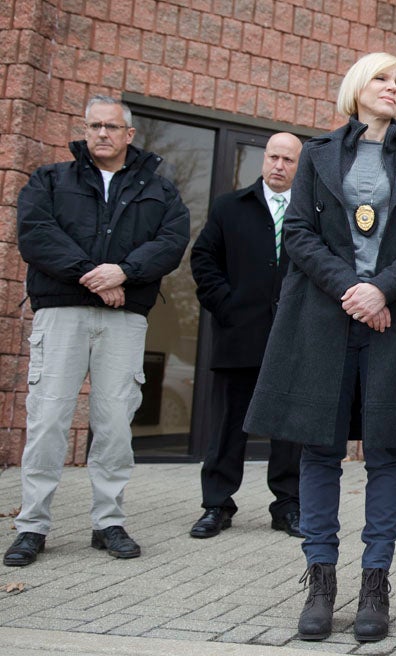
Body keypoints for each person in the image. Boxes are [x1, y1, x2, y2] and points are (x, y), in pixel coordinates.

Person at [244, 53, 396, 643]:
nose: (392, 88)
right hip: (323, 319)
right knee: (320, 450)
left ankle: (376, 583)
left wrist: (381, 289)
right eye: (382, 78)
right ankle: (321, 581)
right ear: (357, 88)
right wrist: (352, 291)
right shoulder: (316, 154)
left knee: (386, 452)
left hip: (394, 321)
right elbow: (299, 234)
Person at [3, 95, 190, 567]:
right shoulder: (51, 179)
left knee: (114, 425)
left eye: (111, 126)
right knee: (47, 421)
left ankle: (108, 522)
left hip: (124, 319)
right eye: (94, 126)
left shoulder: (160, 191)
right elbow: (35, 233)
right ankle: (32, 526)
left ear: (130, 134)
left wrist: (123, 273)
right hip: (62, 312)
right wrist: (94, 274)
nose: (102, 134)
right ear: (85, 131)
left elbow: (171, 241)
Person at [188, 133, 305, 539]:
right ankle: (217, 505)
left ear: (299, 166)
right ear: (263, 160)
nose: (279, 165)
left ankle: (288, 506)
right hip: (239, 335)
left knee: (290, 429)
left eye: (288, 160)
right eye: (273, 156)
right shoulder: (229, 207)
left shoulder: (312, 214)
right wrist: (227, 305)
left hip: (293, 339)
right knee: (228, 426)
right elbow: (203, 260)